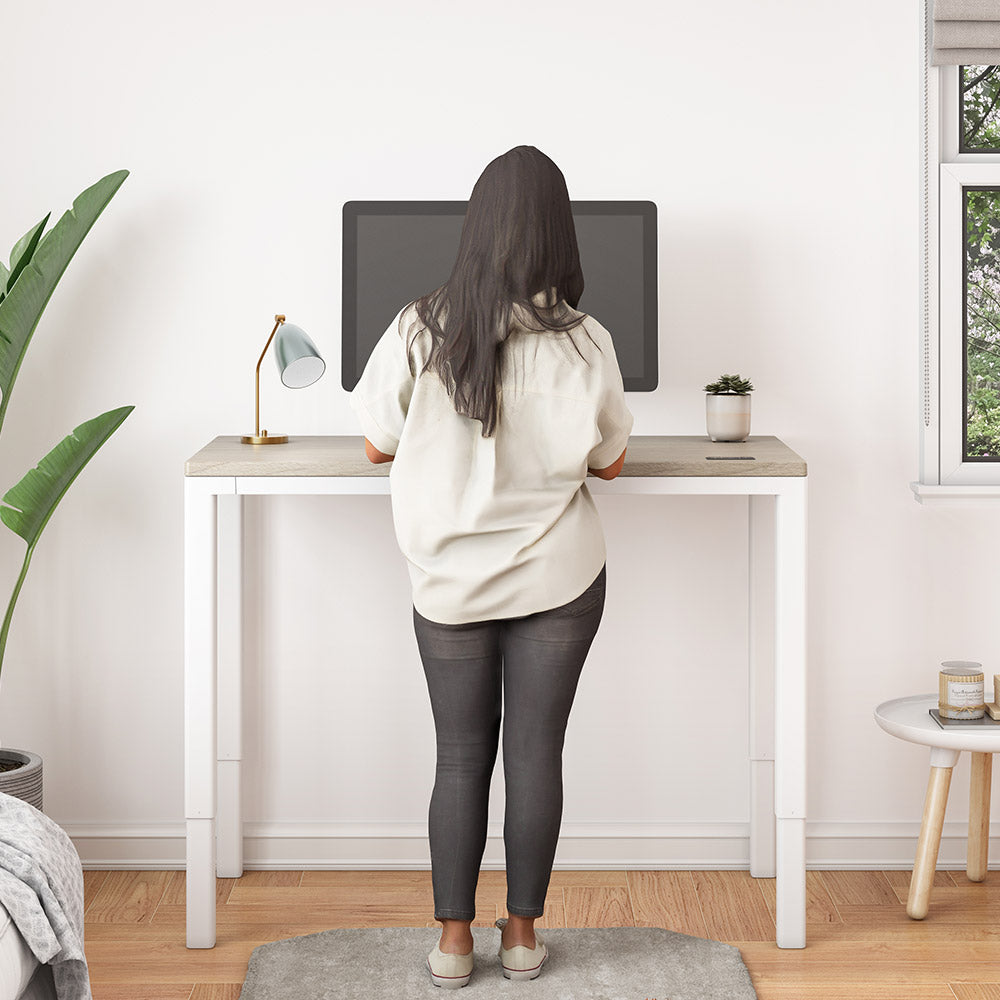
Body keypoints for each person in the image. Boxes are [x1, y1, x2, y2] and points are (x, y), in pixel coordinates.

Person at [348, 144, 633, 987]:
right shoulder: (587, 343)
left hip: (449, 583)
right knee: (535, 755)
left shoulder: (419, 327)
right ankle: (519, 939)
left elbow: (374, 444)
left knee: (459, 757)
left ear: (476, 228)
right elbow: (611, 462)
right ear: (559, 233)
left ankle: (450, 944)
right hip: (559, 577)